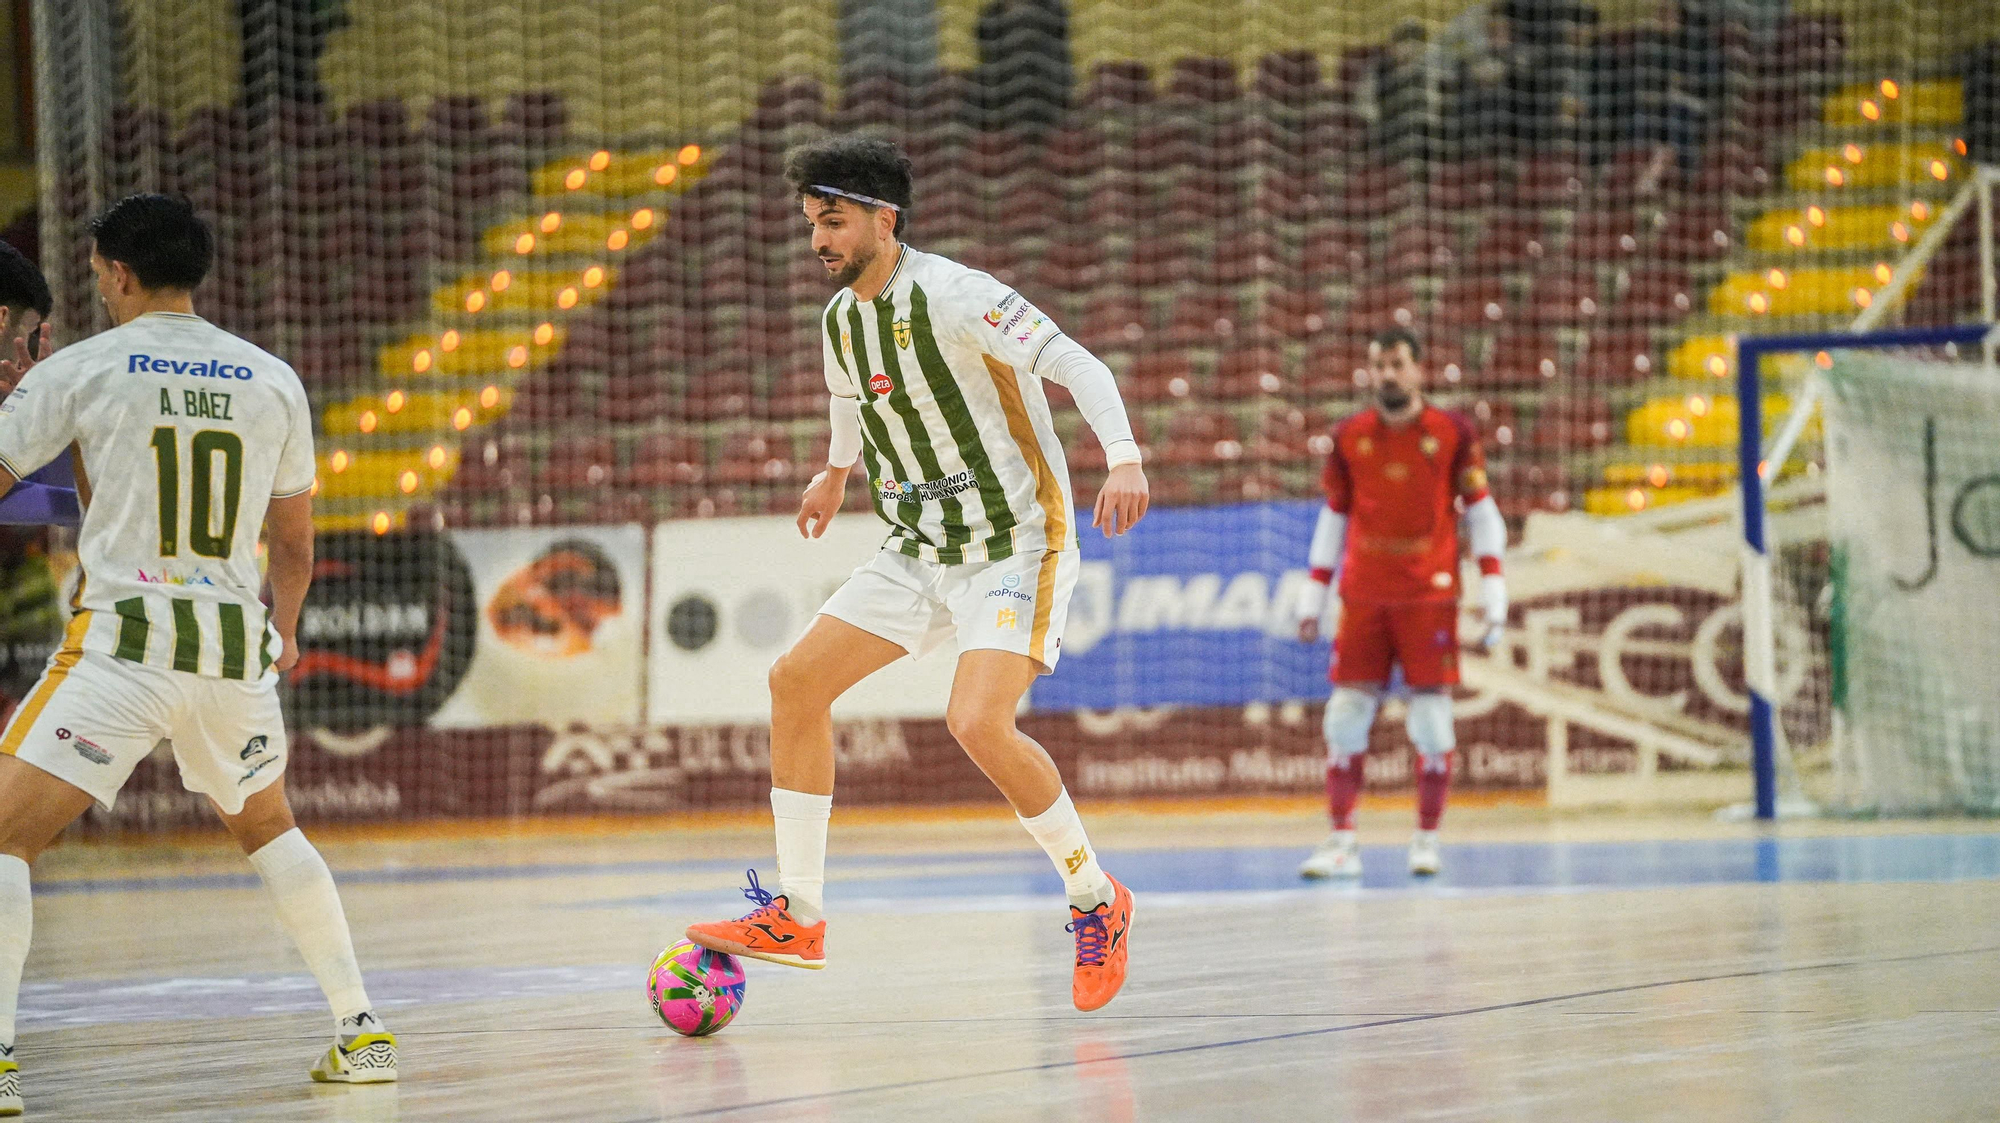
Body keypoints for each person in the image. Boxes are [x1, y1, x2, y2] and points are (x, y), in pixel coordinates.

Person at [683, 136, 1149, 1012]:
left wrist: (1122, 457)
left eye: (834, 221)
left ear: (883, 219)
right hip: (914, 546)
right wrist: (834, 469)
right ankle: (800, 912)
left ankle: (1098, 897)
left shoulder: (961, 295)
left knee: (976, 720)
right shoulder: (840, 319)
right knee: (794, 684)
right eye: (811, 224)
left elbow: (1080, 363)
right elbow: (850, 396)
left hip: (1014, 542)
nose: (819, 239)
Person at [0, 195, 396, 1114]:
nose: (98, 286)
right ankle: (362, 1029)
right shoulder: (272, 378)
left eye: (98, 273)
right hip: (231, 648)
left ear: (121, 273)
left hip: (125, 643)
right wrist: (286, 628)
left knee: (7, 835)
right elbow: (293, 542)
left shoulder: (84, 367)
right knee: (271, 829)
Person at [1292, 328, 1508, 880]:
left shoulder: (1452, 432)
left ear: (1417, 370)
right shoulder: (1348, 436)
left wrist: (1494, 586)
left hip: (1428, 596)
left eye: (1395, 363)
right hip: (1364, 595)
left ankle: (1427, 840)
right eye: (1377, 364)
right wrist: (1314, 593)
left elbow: (1481, 511)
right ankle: (1342, 843)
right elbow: (1334, 516)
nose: (1386, 374)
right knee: (1344, 717)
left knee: (1433, 722)